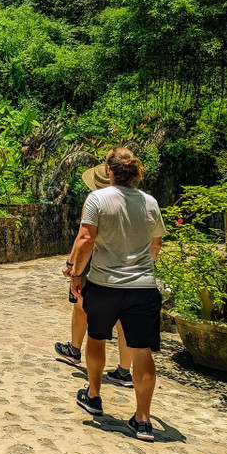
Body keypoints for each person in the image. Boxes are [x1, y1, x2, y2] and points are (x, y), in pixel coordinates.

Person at [67, 147, 164, 442]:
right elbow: (156, 244)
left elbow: (85, 239)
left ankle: (94, 396)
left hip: (104, 283)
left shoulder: (97, 198)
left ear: (109, 171)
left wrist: (74, 273)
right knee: (142, 350)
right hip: (142, 286)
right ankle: (143, 420)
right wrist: (138, 267)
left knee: (97, 338)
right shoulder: (149, 202)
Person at [55, 164, 135, 388]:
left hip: (96, 262)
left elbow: (84, 238)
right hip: (127, 265)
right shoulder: (133, 201)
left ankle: (75, 350)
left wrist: (72, 266)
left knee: (81, 307)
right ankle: (123, 370)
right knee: (123, 319)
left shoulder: (95, 201)